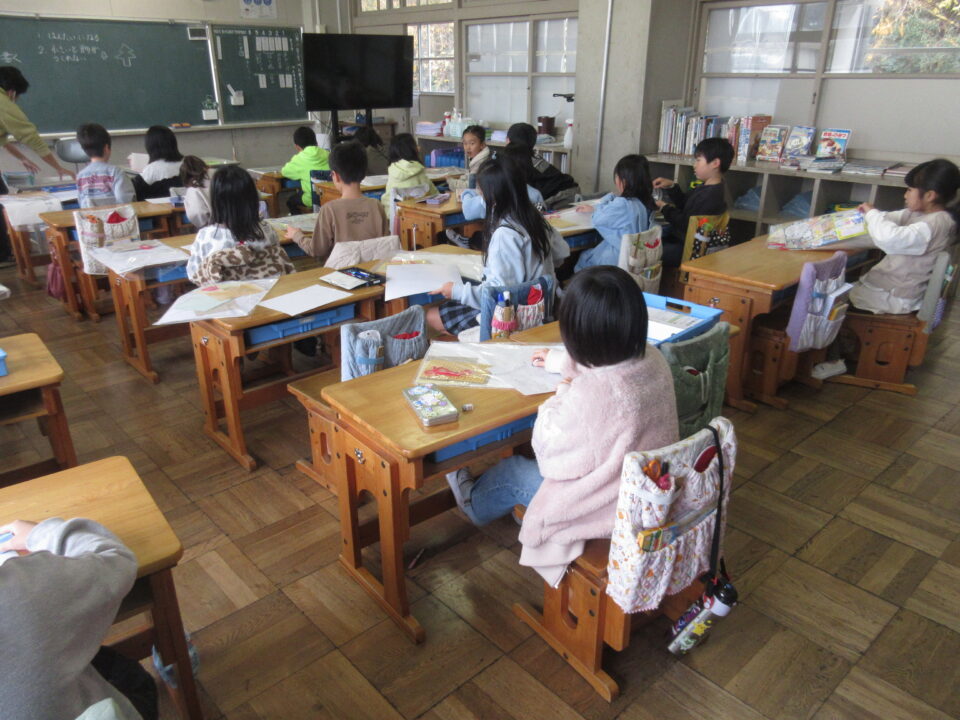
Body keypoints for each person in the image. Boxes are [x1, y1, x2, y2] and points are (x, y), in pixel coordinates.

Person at [445, 266, 679, 582]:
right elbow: (603, 366)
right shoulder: (652, 358)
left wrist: (564, 391)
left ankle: (473, 504)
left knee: (514, 470)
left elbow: (550, 455)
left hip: (604, 510)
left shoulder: (592, 395)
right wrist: (559, 362)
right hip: (648, 492)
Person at [0, 517, 157, 720]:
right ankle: (171, 658)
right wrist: (40, 534)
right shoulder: (20, 587)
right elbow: (118, 560)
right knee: (132, 677)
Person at [427, 155, 569, 336]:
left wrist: (456, 291)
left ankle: (481, 346)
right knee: (450, 308)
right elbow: (562, 254)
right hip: (542, 307)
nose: (481, 197)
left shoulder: (505, 234)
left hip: (513, 318)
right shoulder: (535, 218)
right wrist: (536, 273)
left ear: (493, 196)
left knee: (431, 315)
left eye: (482, 193)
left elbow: (498, 296)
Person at [850, 158, 960, 314]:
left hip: (896, 297)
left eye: (909, 190)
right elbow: (885, 220)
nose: (905, 195)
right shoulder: (917, 214)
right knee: (839, 290)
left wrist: (872, 213)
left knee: (830, 298)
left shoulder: (937, 223)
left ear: (930, 196)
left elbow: (888, 237)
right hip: (887, 291)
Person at [0, 66, 74, 264]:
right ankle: (4, 254)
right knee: (2, 199)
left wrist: (21, 158)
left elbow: (2, 139)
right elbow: (31, 138)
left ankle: (6, 252)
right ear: (12, 92)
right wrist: (58, 168)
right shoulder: (4, 103)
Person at [285, 140, 389, 264]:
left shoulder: (329, 210)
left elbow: (316, 250)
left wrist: (297, 235)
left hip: (340, 273)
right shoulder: (376, 206)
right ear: (363, 173)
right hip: (373, 270)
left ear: (335, 176)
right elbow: (385, 245)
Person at [186, 165, 285, 285]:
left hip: (227, 294)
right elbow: (277, 256)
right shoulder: (266, 229)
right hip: (269, 290)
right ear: (253, 197)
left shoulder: (206, 237)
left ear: (215, 199)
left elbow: (194, 274)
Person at [653, 137, 733, 268]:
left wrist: (664, 208)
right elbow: (685, 203)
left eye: (698, 160)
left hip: (687, 248)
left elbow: (686, 224)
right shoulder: (709, 187)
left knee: (647, 250)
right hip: (684, 240)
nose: (694, 165)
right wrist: (671, 186)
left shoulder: (710, 196)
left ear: (715, 163)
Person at [448, 144, 545, 249]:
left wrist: (467, 193)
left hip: (502, 244)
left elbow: (468, 212)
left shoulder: (496, 199)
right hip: (531, 244)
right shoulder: (535, 194)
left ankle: (467, 241)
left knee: (478, 236)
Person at [574, 154, 657, 270]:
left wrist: (607, 199)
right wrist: (596, 209)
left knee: (583, 258)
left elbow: (598, 219)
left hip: (615, 260)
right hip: (634, 261)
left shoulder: (622, 204)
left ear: (623, 181)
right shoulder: (643, 202)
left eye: (617, 176)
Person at [506, 122, 579, 209]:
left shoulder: (515, 162)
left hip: (558, 198)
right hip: (571, 191)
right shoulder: (533, 158)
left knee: (532, 212)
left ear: (508, 140)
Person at [75, 123, 135, 208]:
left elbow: (82, 204)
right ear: (106, 148)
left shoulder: (80, 176)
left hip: (91, 216)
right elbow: (126, 202)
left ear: (84, 150)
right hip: (115, 216)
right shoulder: (116, 172)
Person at [381, 132, 437, 212]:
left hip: (395, 216)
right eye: (416, 145)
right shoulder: (418, 169)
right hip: (420, 215)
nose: (419, 147)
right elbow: (435, 194)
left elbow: (387, 199)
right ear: (412, 150)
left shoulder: (393, 169)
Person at [281, 125, 330, 214]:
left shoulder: (299, 159)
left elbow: (284, 172)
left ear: (297, 147)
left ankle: (299, 221)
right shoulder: (328, 154)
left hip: (311, 200)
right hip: (330, 197)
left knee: (290, 201)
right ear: (316, 142)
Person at [133, 126, 183, 200]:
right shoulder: (188, 163)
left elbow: (135, 191)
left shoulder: (151, 170)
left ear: (150, 146)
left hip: (155, 206)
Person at [448, 125, 491, 191]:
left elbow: (469, 187)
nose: (468, 147)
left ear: (482, 144)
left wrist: (450, 181)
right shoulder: (479, 157)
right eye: (465, 143)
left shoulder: (482, 164)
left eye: (472, 143)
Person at [178, 155, 212, 228]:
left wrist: (203, 225)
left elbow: (197, 213)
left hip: (210, 226)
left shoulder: (193, 190)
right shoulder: (216, 181)